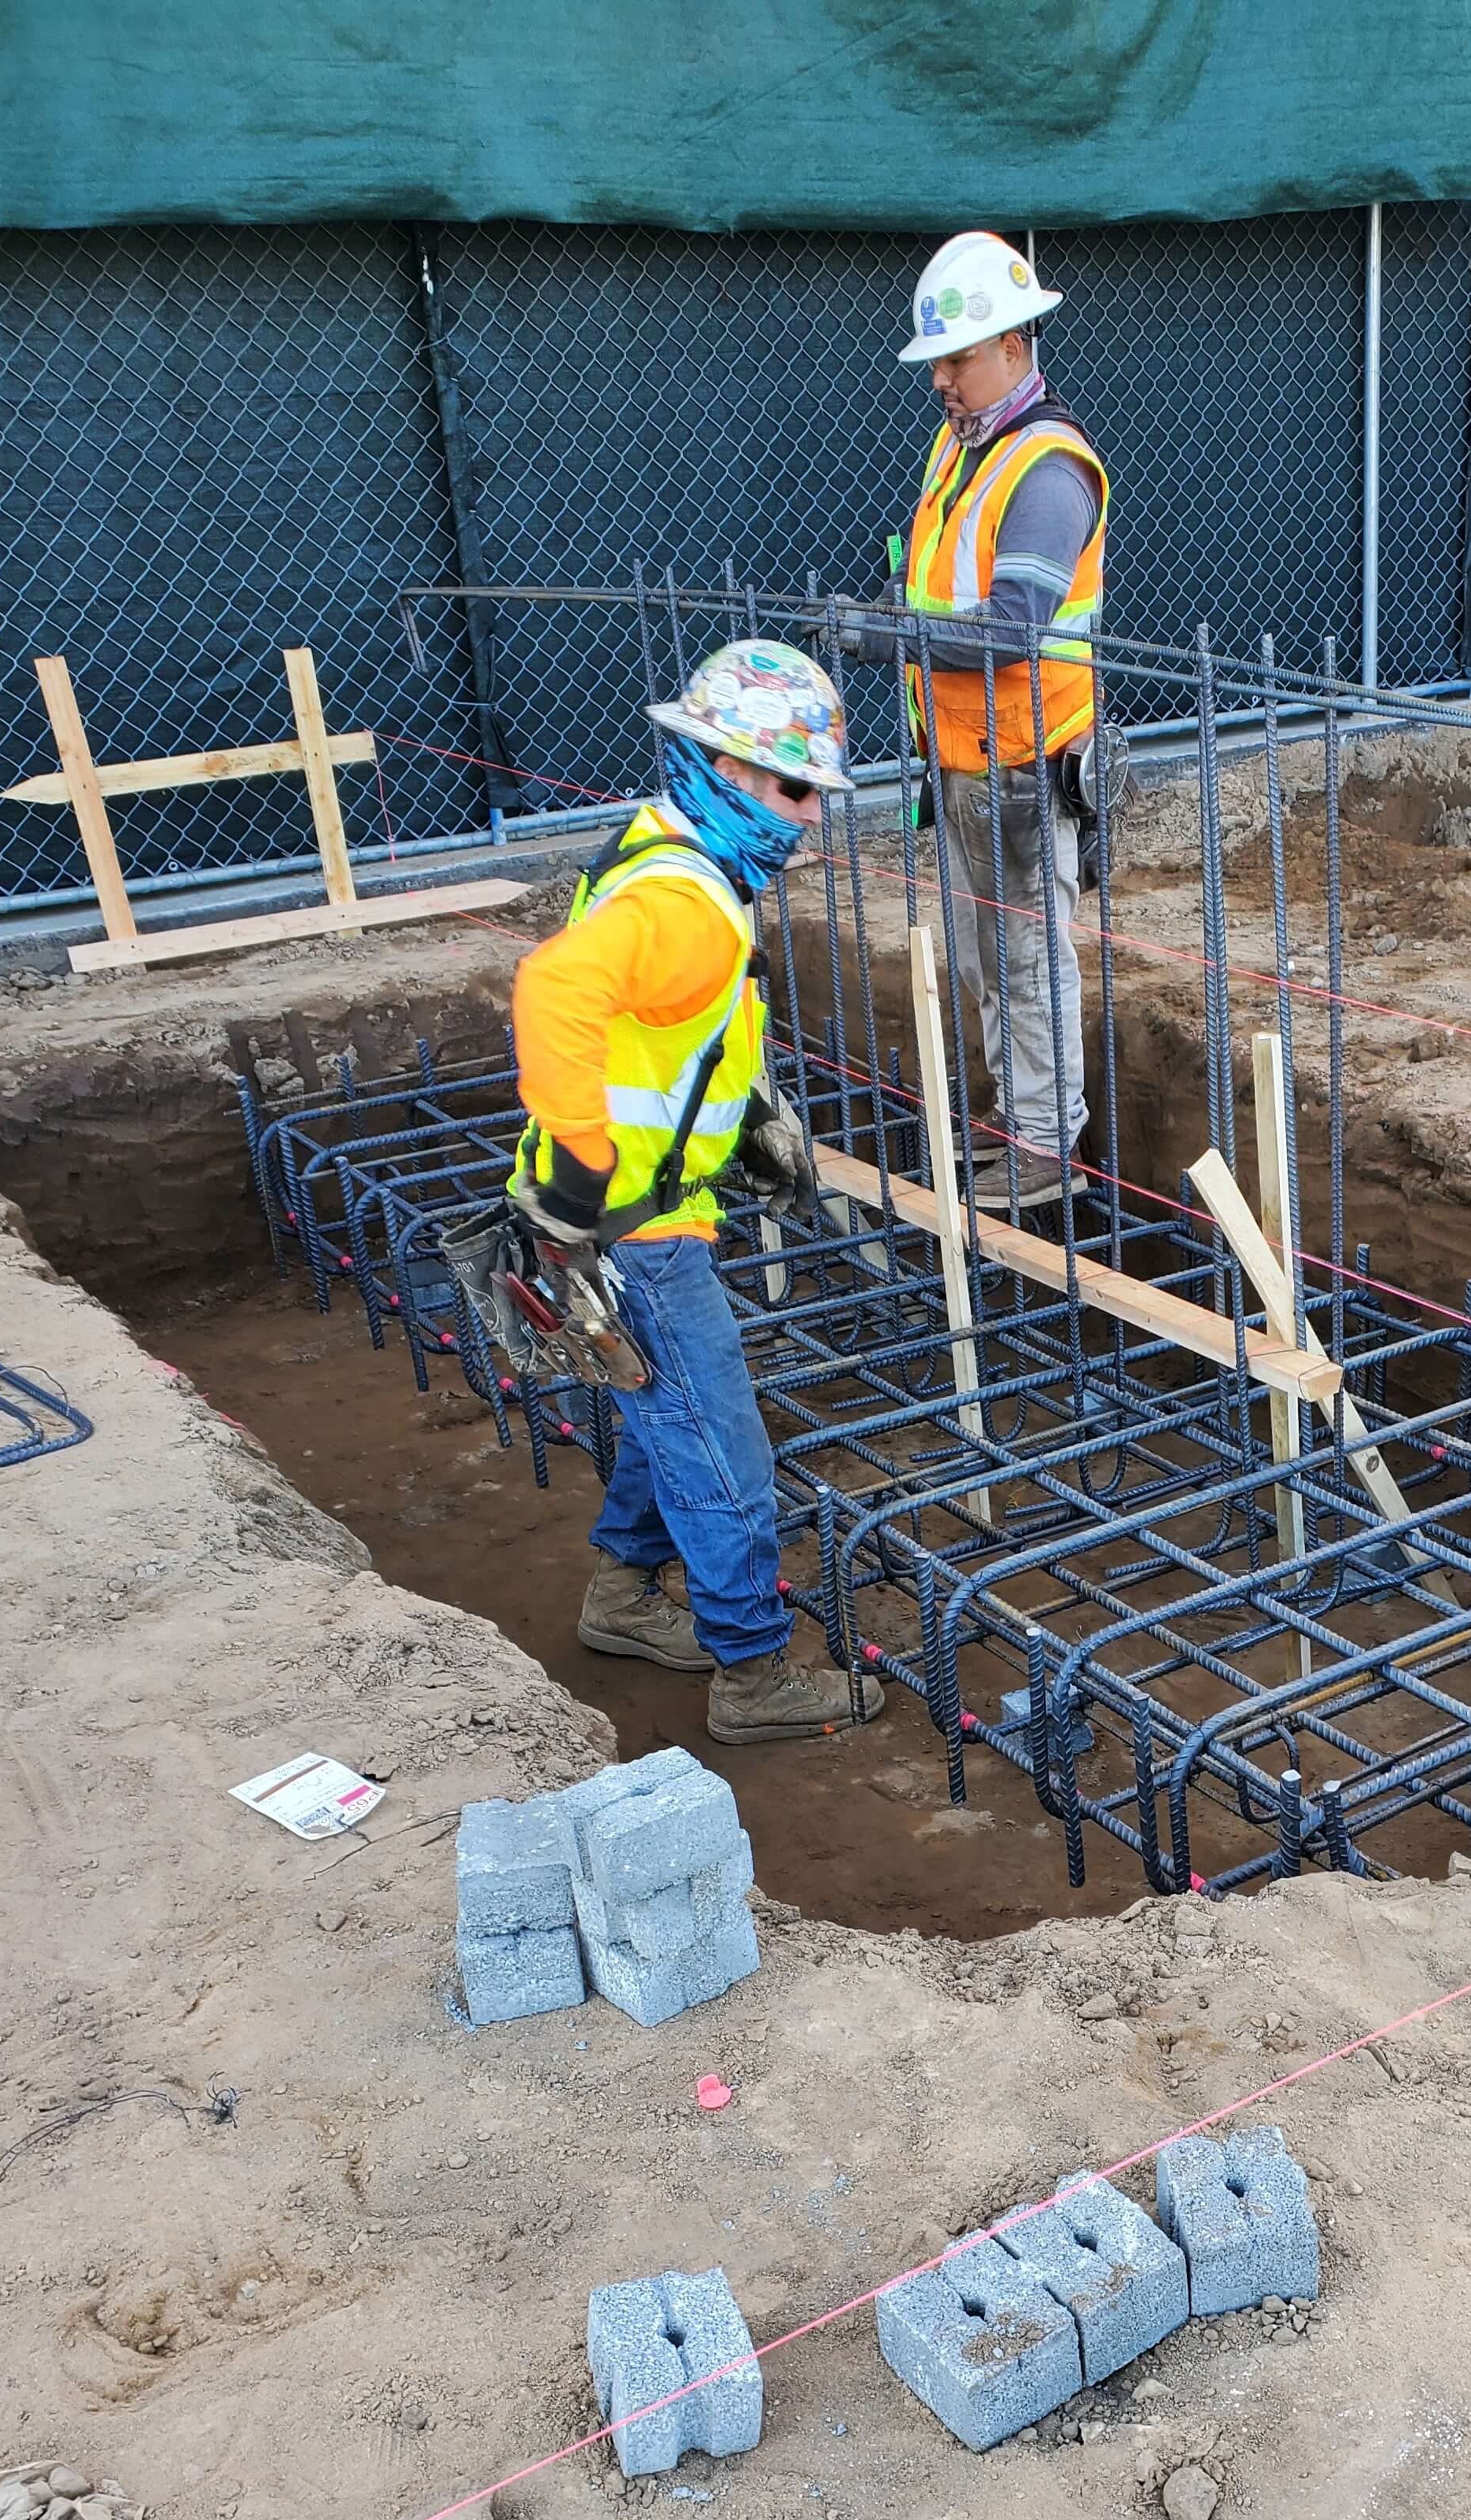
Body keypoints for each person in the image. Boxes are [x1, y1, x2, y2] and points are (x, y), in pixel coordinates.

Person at [505, 638, 877, 1744]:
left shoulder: (674, 848)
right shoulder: (688, 904)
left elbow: (674, 1032)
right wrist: (582, 1161)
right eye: (796, 787)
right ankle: (752, 1674)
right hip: (633, 1229)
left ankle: (622, 1599)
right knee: (724, 1447)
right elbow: (556, 986)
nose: (813, 814)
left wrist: (746, 1115)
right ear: (728, 769)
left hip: (653, 1212)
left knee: (668, 1413)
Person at [890, 228, 1109, 1212]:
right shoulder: (963, 448)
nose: (942, 378)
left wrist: (879, 636)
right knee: (984, 957)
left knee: (1029, 958)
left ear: (1015, 346)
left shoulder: (1049, 471)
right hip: (966, 756)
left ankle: (1047, 1146)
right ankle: (1015, 1129)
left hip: (1022, 760)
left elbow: (1014, 627)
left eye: (958, 357)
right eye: (937, 360)